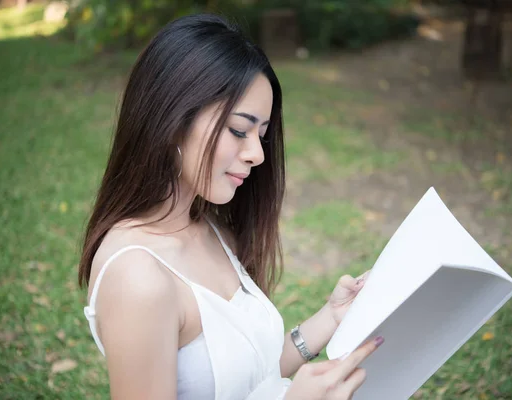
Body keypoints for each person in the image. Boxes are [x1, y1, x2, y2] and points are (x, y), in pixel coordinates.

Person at [79, 13, 383, 400]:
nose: (257, 154)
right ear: (171, 119)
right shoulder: (138, 278)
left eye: (262, 135)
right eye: (239, 130)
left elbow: (244, 378)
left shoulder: (211, 229)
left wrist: (331, 317)